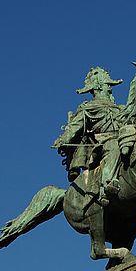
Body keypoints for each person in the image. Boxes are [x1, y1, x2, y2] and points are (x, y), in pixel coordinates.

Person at [52, 66, 125, 206]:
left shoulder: (121, 109)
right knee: (114, 147)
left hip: (123, 138)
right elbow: (75, 127)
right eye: (107, 84)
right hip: (104, 142)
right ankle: (107, 185)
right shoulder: (89, 108)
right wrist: (63, 139)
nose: (110, 88)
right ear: (97, 87)